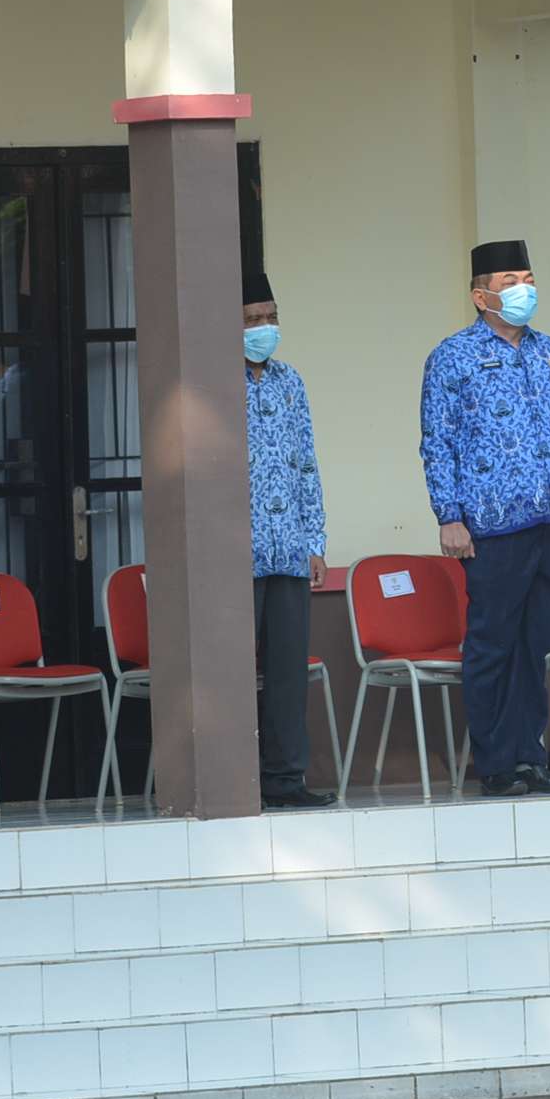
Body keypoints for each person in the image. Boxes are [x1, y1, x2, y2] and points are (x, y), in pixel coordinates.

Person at [419, 241, 550, 798]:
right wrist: (449, 515)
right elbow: (437, 442)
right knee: (493, 641)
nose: (524, 290)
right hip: (490, 525)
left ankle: (530, 757)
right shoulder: (452, 357)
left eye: (529, 278)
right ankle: (496, 764)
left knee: (534, 642)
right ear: (480, 295)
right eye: (510, 280)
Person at [243, 273, 331, 809]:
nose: (265, 327)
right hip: (237, 555)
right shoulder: (211, 382)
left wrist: (315, 538)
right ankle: (236, 778)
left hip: (290, 548)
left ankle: (285, 780)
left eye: (271, 316)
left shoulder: (289, 381)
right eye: (253, 319)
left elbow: (306, 465)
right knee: (231, 671)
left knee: (286, 672)